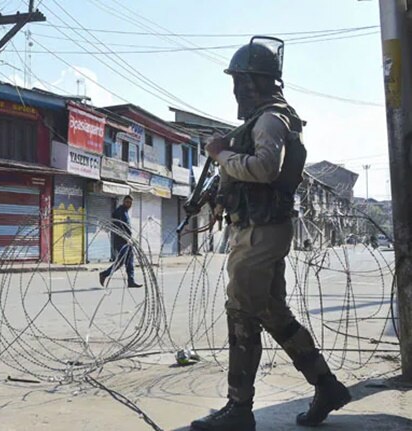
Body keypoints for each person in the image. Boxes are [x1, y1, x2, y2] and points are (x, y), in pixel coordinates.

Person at [190, 37, 350, 431]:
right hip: (258, 228)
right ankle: (327, 387)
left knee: (241, 310)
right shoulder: (261, 119)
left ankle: (239, 410)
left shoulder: (270, 119)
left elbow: (264, 169)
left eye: (240, 82)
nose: (236, 90)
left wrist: (220, 155)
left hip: (261, 232)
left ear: (252, 83)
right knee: (271, 312)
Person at [99, 195, 143, 288]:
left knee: (129, 261)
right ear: (123, 202)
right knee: (121, 261)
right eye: (127, 202)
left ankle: (131, 281)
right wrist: (128, 237)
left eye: (130, 202)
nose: (129, 204)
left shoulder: (125, 211)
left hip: (127, 240)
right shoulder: (120, 211)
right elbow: (121, 227)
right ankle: (104, 274)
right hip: (120, 241)